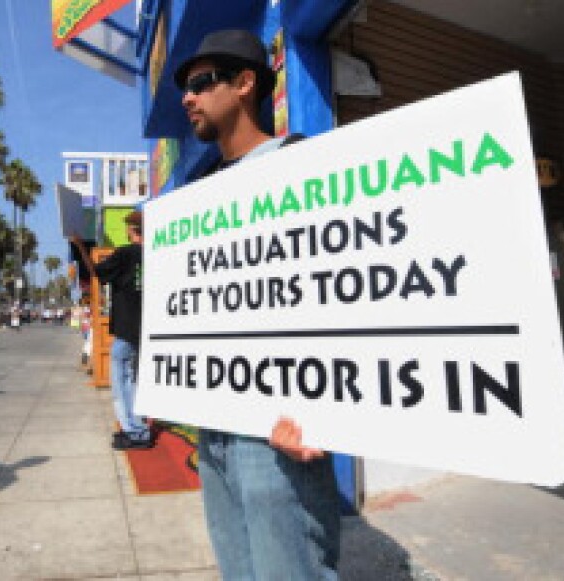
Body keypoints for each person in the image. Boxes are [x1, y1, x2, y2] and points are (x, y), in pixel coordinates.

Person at [174, 29, 341, 579]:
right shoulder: (199, 195)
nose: (187, 98)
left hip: (277, 436)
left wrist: (329, 407)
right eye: (183, 87)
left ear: (245, 84)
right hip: (216, 430)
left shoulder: (301, 162)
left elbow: (342, 289)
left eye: (200, 83)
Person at [71, 211, 153, 450]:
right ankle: (137, 426)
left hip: (127, 327)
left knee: (121, 380)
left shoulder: (126, 253)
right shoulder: (156, 254)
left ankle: (135, 431)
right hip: (146, 328)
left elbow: (97, 271)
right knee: (136, 379)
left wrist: (80, 247)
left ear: (132, 229)